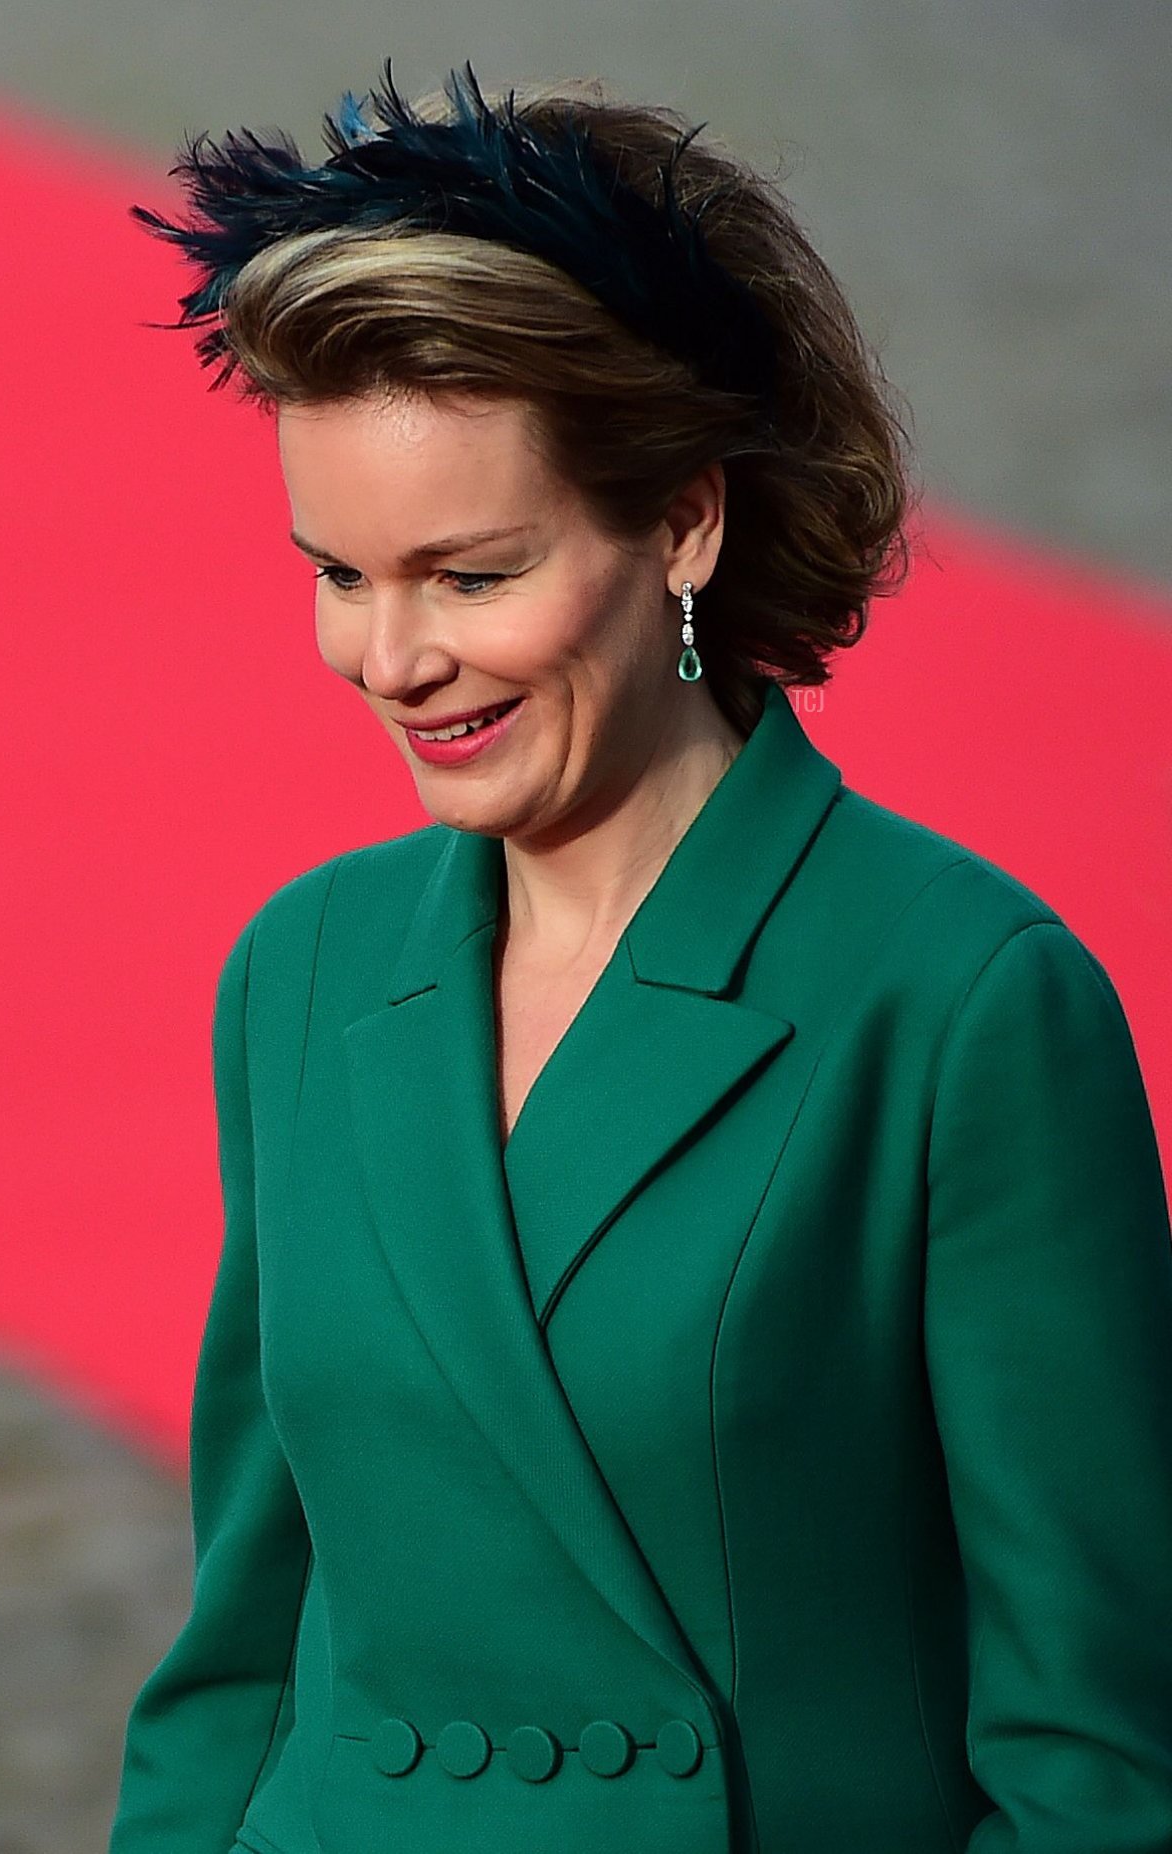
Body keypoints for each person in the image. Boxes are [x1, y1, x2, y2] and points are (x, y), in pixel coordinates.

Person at [108, 60, 1172, 1854]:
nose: (391, 659)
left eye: (468, 573)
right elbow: (243, 1650)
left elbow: (1099, 1757)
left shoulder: (963, 999)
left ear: (679, 520)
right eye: (341, 574)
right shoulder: (297, 972)